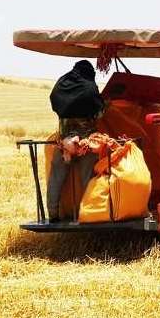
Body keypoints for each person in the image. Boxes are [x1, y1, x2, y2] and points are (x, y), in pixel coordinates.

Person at [46, 60, 104, 222]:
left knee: (56, 177)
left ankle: (53, 214)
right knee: (88, 179)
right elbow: (100, 113)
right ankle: (89, 214)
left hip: (64, 142)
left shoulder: (62, 84)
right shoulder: (89, 87)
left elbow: (54, 101)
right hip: (86, 143)